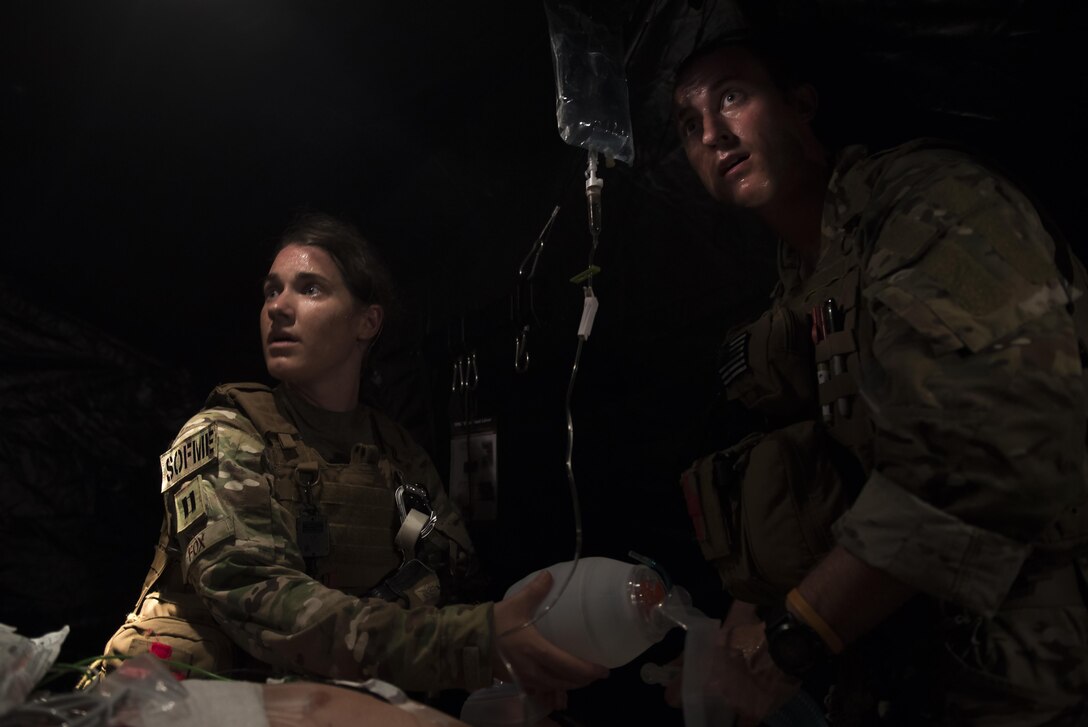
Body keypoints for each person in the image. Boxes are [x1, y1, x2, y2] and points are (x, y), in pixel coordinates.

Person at [666, 30, 1088, 726]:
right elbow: (821, 471)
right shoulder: (802, 282)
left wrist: (787, 644)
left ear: (800, 106)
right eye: (689, 125)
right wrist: (737, 634)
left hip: (1041, 660)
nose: (713, 133)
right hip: (916, 667)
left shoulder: (927, 204)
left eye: (732, 97)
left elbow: (992, 444)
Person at [83, 213, 607, 702]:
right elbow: (259, 598)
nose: (278, 308)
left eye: (309, 288)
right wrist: (471, 642)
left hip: (314, 696)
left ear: (367, 322)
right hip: (186, 696)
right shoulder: (226, 432)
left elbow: (452, 580)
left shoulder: (398, 458)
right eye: (271, 291)